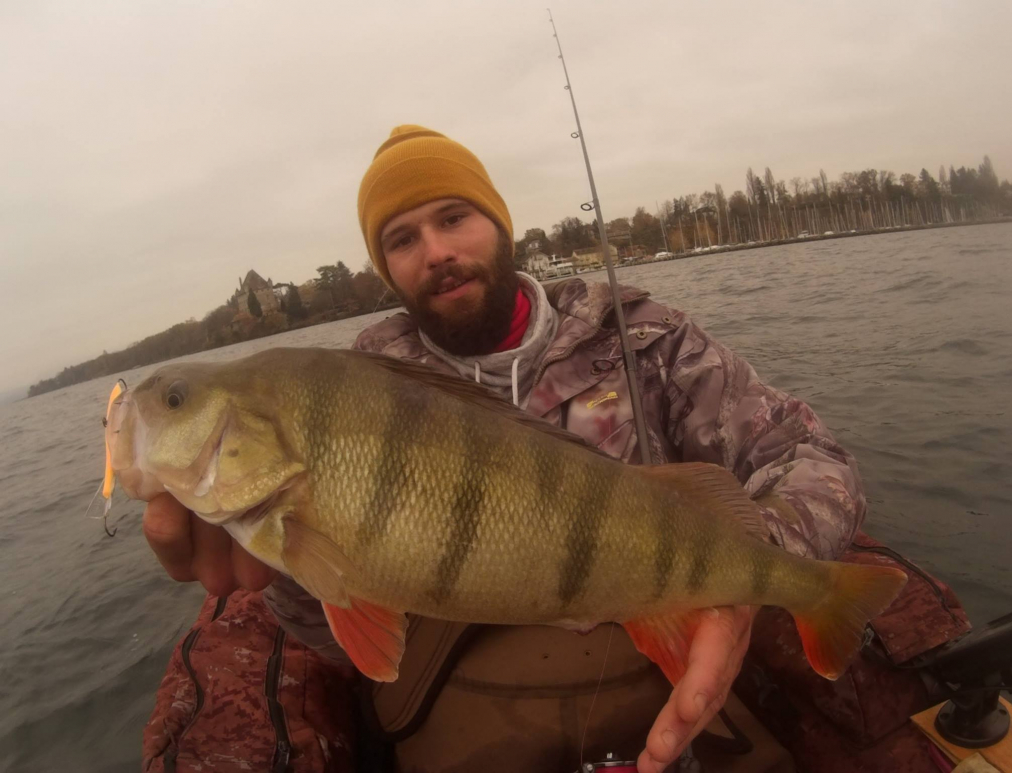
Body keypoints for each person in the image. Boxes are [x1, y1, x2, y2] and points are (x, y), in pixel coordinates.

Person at [143, 125, 865, 773]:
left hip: (671, 698)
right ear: (386, 268)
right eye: (401, 239)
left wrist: (744, 581)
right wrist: (281, 564)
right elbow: (340, 643)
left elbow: (812, 454)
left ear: (499, 222)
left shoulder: (649, 342)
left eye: (453, 217)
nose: (436, 252)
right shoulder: (349, 388)